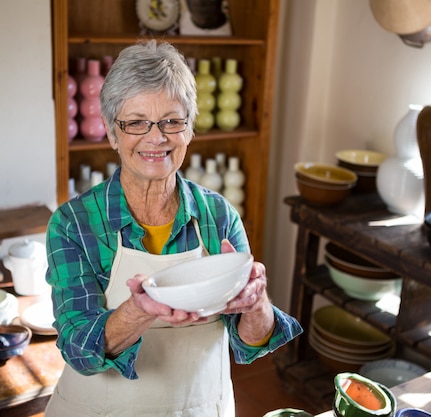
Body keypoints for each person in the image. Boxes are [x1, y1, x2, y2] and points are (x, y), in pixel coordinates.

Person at [44, 40, 303, 417]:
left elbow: (250, 343)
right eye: (135, 122)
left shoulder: (219, 215)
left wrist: (256, 302)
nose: (156, 137)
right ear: (112, 133)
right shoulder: (73, 224)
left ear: (189, 129)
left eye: (172, 120)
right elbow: (79, 349)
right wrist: (139, 310)